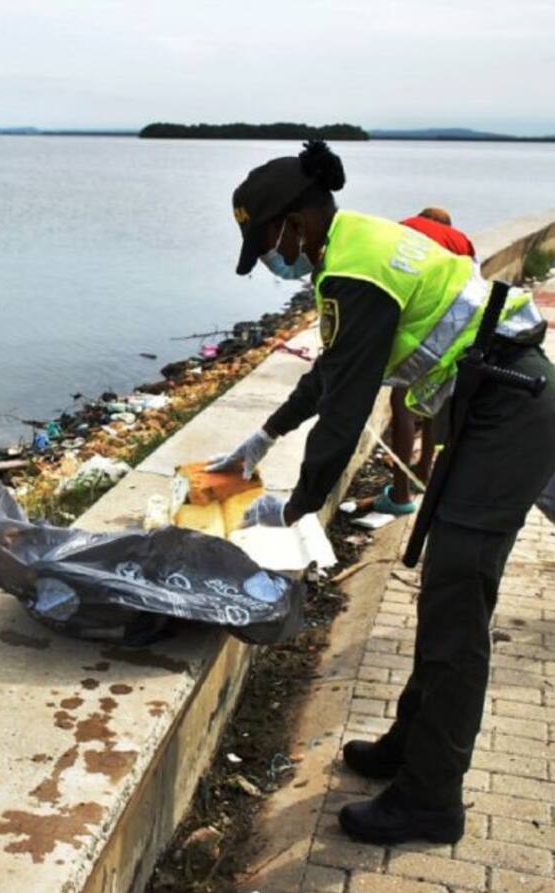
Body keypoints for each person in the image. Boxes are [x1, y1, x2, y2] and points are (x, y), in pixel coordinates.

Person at [211, 141, 555, 845]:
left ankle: (431, 802)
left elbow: (344, 417)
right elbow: (333, 374)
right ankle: (409, 747)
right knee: (445, 594)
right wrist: (264, 438)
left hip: (508, 413)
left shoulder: (352, 273)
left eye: (269, 242)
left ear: (296, 224)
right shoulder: (358, 246)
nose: (273, 259)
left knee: (459, 609)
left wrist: (295, 512)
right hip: (493, 401)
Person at [367, 208, 479, 516]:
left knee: (401, 402)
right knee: (433, 399)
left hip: (420, 322)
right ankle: (423, 471)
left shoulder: (405, 230)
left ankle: (401, 495)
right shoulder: (462, 242)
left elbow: (387, 275)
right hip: (456, 327)